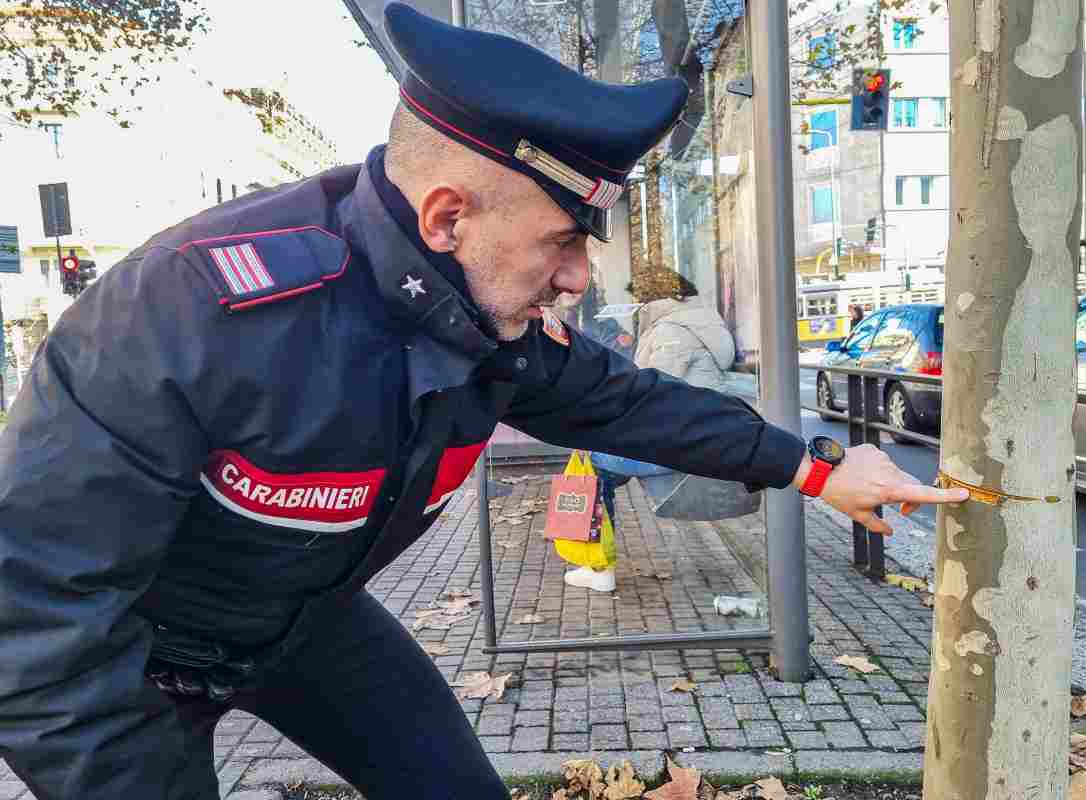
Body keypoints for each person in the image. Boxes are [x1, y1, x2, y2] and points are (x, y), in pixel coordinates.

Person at [0, 5, 967, 799]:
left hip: (305, 623)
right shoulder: (189, 312)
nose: (581, 278)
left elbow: (629, 406)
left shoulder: (482, 316)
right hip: (131, 659)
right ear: (447, 217)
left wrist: (821, 468)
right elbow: (39, 627)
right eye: (562, 240)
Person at [573, 269, 735, 592]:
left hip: (680, 443)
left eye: (639, 298)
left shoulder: (671, 331)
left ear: (654, 299)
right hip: (697, 434)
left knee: (591, 464)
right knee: (601, 462)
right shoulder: (702, 321)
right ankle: (597, 564)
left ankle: (599, 568)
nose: (635, 305)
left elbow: (653, 394)